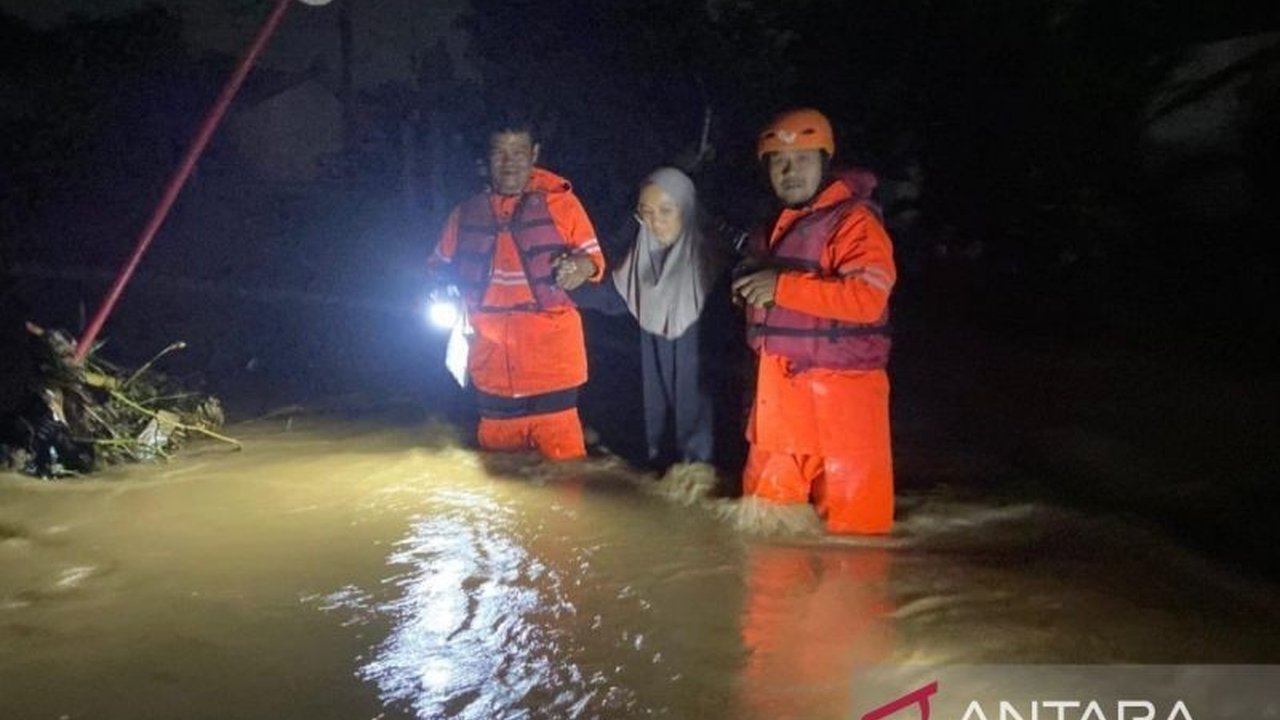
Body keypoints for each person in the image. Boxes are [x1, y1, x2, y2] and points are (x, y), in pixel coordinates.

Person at [731, 108, 896, 534]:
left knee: (856, 544)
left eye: (803, 159)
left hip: (844, 405)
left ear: (825, 160)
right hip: (779, 399)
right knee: (763, 532)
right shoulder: (772, 227)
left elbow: (867, 300)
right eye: (780, 162)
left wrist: (780, 288)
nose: (790, 171)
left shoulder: (855, 222)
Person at [428, 119, 604, 460]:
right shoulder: (464, 215)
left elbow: (595, 262)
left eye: (519, 152)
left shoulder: (563, 205)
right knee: (501, 491)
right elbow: (436, 268)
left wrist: (578, 269)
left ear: (534, 154)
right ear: (487, 159)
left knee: (565, 487)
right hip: (491, 372)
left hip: (552, 369)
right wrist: (442, 289)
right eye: (500, 153)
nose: (509, 163)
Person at [573, 167, 729, 468]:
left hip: (711, 423)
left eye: (666, 211)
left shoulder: (721, 268)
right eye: (646, 213)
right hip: (654, 420)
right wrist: (563, 280)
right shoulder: (641, 263)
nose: (655, 222)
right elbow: (610, 298)